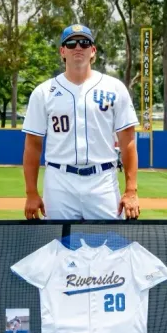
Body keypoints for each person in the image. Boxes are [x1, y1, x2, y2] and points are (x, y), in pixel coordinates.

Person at [22, 24, 140, 220]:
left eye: (84, 43)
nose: (78, 47)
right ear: (62, 51)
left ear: (93, 51)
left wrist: (131, 191)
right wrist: (31, 193)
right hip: (59, 181)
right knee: (57, 246)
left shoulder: (114, 88)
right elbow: (32, 146)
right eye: (71, 43)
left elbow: (128, 142)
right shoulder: (43, 92)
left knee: (111, 245)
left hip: (102, 180)